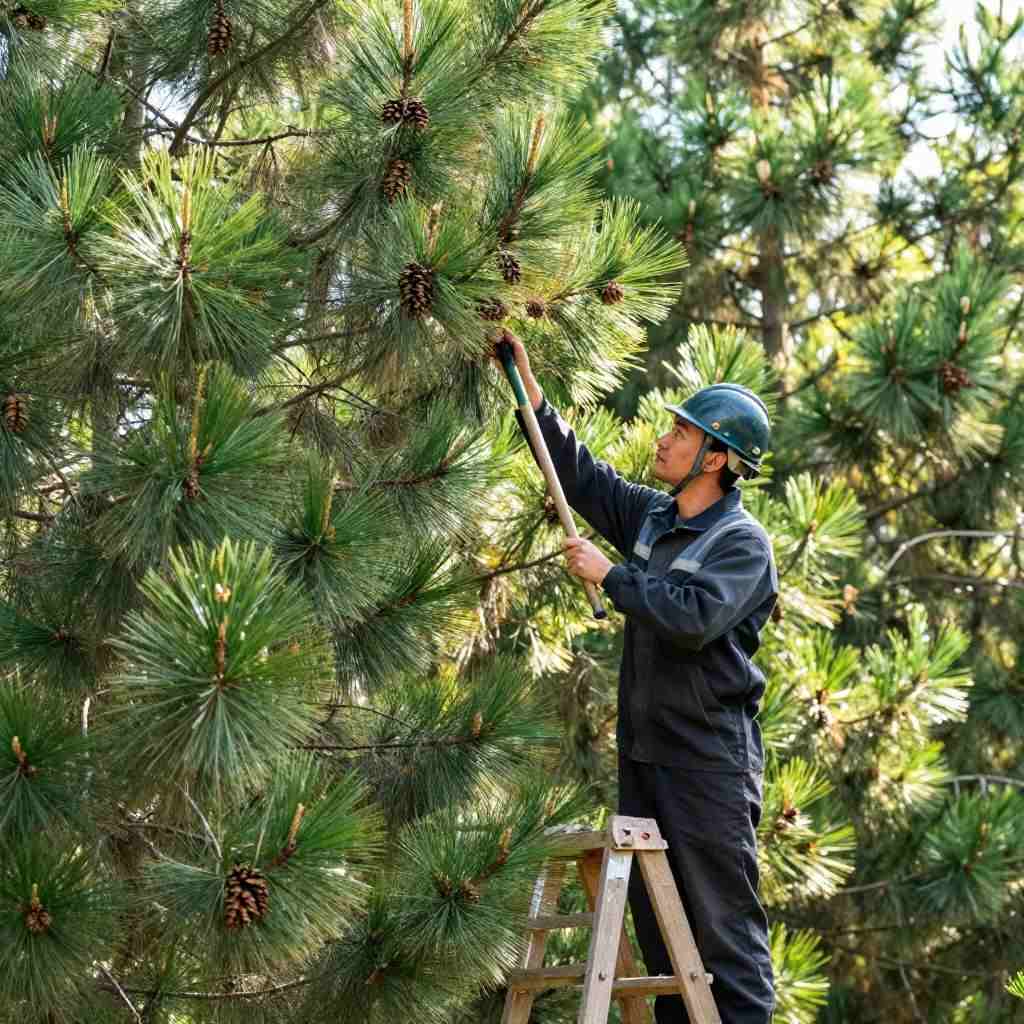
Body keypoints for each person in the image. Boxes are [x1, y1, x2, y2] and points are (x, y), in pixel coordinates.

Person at [502, 333, 777, 1024]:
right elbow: (579, 474)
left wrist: (612, 575)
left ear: (715, 458)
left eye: (680, 433)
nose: (663, 440)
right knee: (666, 958)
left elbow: (692, 619)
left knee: (723, 950)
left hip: (709, 768)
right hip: (647, 761)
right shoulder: (654, 518)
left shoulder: (742, 545)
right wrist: (528, 385)